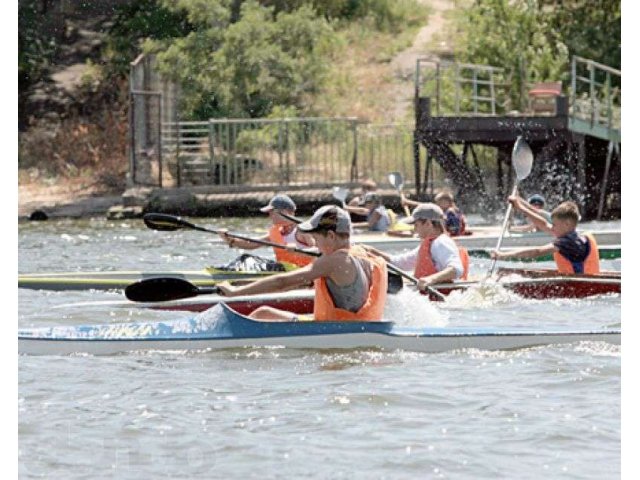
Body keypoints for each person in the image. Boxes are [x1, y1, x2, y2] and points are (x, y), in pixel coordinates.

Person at [217, 205, 388, 321]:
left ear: (331, 236)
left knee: (262, 314)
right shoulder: (362, 253)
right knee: (264, 312)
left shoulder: (334, 261)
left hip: (335, 331)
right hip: (355, 325)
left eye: (315, 237)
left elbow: (281, 282)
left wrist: (235, 292)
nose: (315, 242)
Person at [363, 203, 469, 292]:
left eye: (416, 225)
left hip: (445, 298)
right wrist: (372, 252)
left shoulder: (441, 242)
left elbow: (457, 269)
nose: (414, 229)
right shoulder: (430, 244)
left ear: (428, 223)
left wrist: (430, 279)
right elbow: (399, 263)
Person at [491, 198, 600, 274]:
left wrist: (503, 255)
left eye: (555, 225)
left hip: (580, 284)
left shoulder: (567, 243)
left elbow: (537, 252)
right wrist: (520, 207)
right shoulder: (575, 236)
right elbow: (543, 224)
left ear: (566, 224)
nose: (552, 227)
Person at [218, 194, 315, 268]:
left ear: (286, 212)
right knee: (246, 259)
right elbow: (251, 243)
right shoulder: (276, 232)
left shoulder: (303, 230)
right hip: (285, 272)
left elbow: (320, 251)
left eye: (272, 213)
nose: (270, 216)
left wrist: (299, 251)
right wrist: (230, 240)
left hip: (305, 273)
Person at [401, 190, 467, 236]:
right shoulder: (451, 210)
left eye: (439, 202)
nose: (437, 204)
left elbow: (452, 229)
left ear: (447, 202)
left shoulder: (450, 212)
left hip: (452, 236)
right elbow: (428, 208)